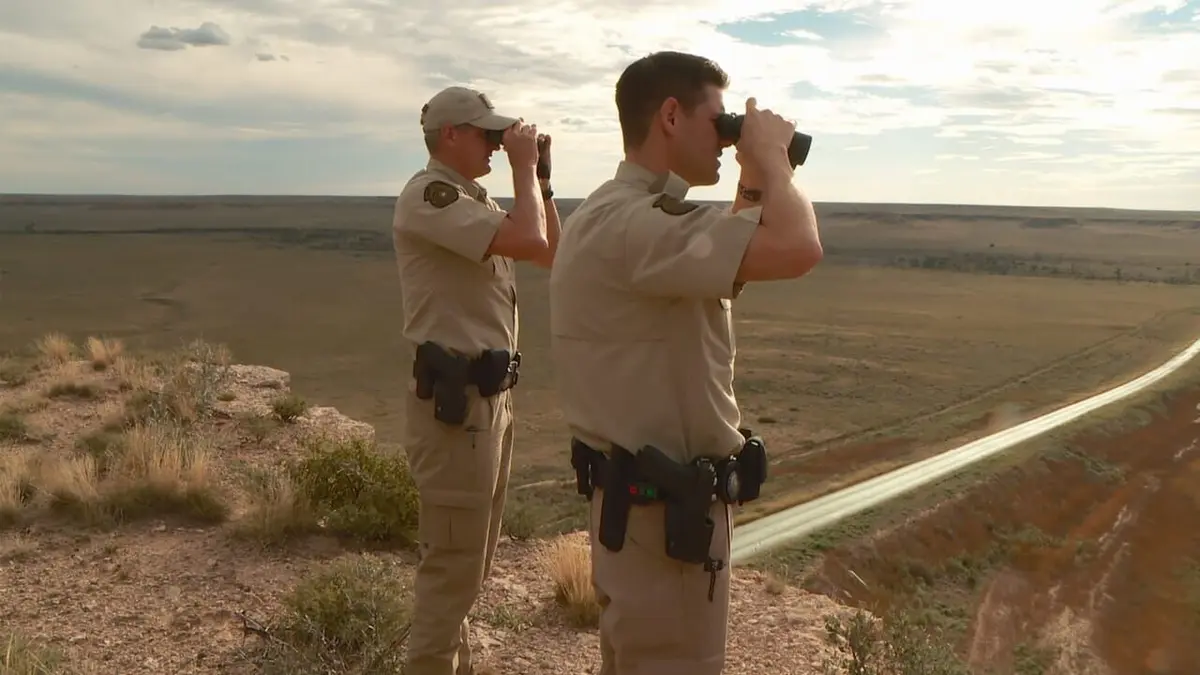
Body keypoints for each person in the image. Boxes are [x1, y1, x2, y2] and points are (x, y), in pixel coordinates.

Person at [549, 51, 823, 674]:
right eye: (719, 121)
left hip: (641, 520)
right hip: (662, 531)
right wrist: (775, 160)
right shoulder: (639, 226)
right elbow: (799, 247)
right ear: (671, 116)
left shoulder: (614, 212)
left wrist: (751, 172)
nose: (725, 140)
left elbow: (724, 267)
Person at [392, 84, 561, 675]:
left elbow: (549, 250)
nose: (494, 144)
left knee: (473, 565)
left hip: (489, 403)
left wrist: (537, 179)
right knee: (452, 568)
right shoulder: (431, 197)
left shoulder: (476, 201)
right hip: (456, 407)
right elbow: (532, 240)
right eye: (485, 134)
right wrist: (518, 164)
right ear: (450, 136)